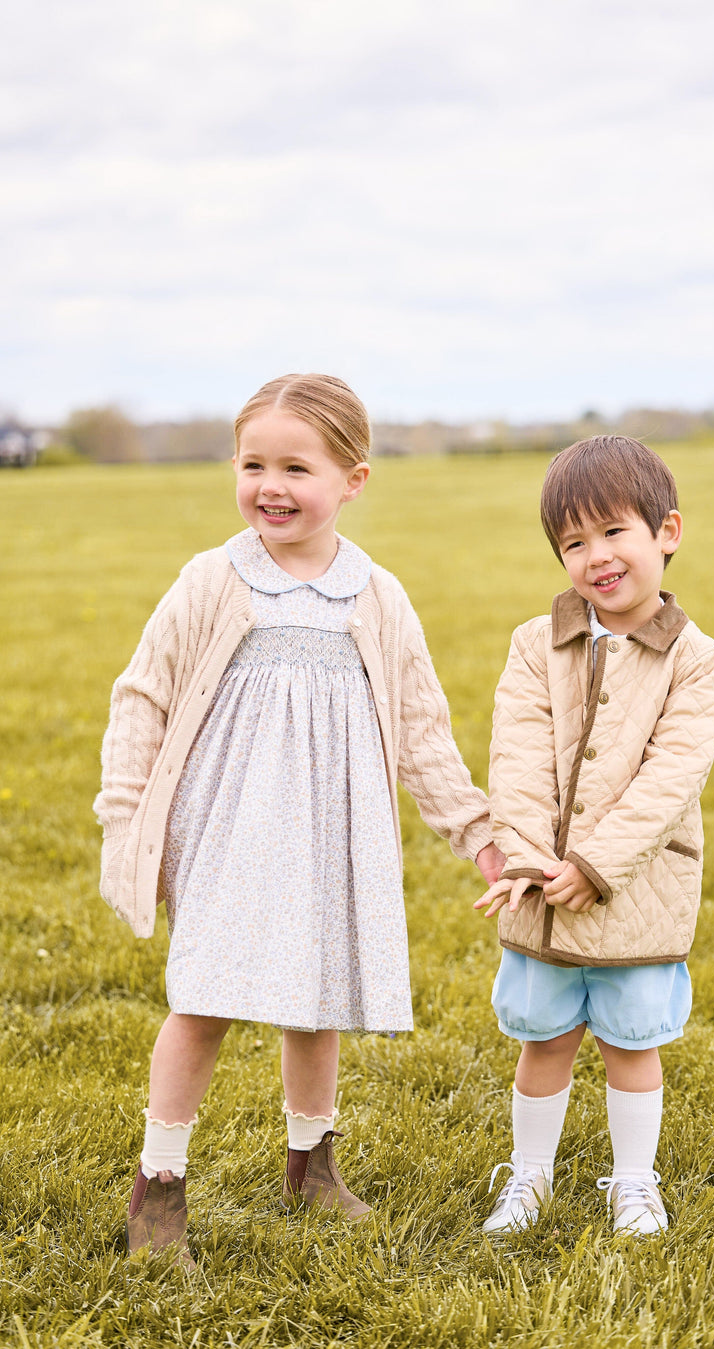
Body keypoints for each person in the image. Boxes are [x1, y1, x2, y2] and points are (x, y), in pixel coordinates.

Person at [95, 373, 504, 1267]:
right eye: (252, 464)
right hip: (228, 826)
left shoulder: (377, 594)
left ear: (353, 480)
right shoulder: (214, 579)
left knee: (316, 1000)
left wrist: (477, 832)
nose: (269, 485)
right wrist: (126, 814)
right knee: (202, 998)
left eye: (295, 466)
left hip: (332, 828)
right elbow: (143, 694)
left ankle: (311, 1162)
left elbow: (423, 728)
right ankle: (159, 1185)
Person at [475, 435, 714, 1237]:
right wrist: (529, 855)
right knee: (543, 1038)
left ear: (667, 532)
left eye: (614, 531)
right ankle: (530, 1181)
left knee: (631, 1041)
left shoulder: (697, 659)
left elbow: (671, 775)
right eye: (573, 542)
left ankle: (633, 1182)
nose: (596, 556)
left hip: (638, 893)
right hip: (541, 890)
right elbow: (514, 753)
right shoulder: (533, 643)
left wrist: (597, 863)